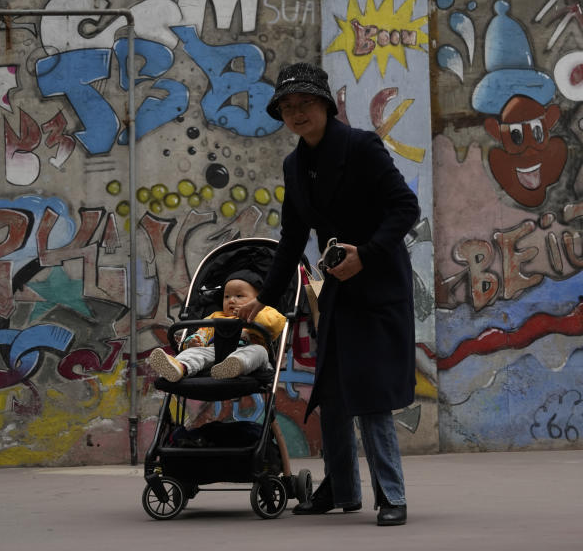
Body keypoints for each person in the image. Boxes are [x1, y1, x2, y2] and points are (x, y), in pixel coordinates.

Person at [238, 62, 419, 526]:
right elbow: (292, 237)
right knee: (333, 390)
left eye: (304, 104)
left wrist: (369, 253)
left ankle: (392, 495)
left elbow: (405, 207)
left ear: (326, 105)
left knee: (371, 393)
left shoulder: (361, 147)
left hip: (378, 285)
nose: (296, 114)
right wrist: (265, 298)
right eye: (287, 107)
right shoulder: (294, 166)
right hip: (336, 288)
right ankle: (340, 488)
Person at [147, 270, 286, 381]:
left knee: (258, 352)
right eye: (226, 296)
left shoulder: (265, 311)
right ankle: (179, 367)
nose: (231, 300)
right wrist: (194, 342)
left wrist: (253, 314)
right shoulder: (215, 316)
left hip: (251, 354)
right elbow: (203, 333)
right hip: (217, 353)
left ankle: (236, 364)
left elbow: (275, 325)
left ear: (258, 298)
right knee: (195, 353)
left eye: (239, 296)